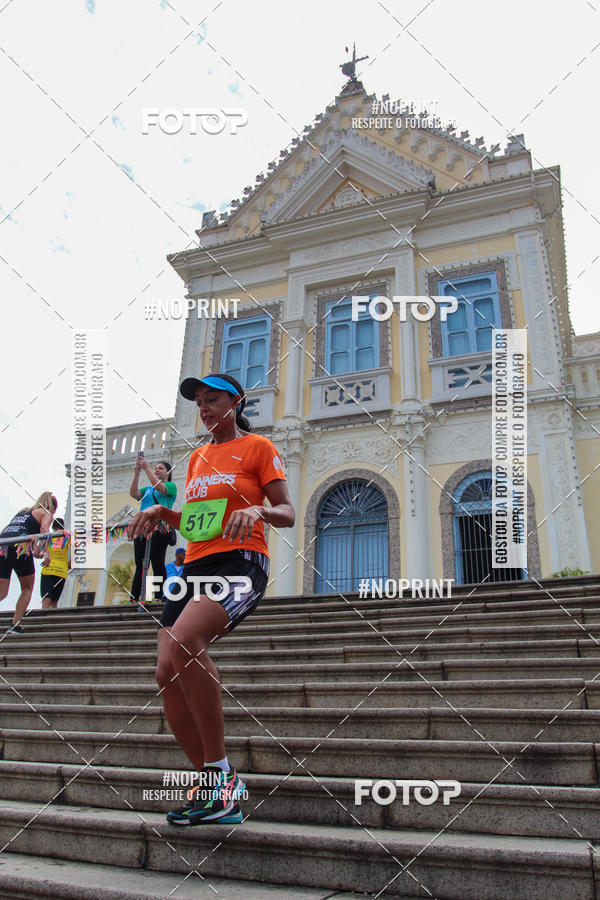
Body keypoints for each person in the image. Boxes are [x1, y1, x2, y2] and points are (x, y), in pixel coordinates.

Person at [128, 373, 295, 826]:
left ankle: (219, 778)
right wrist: (164, 512)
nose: (203, 407)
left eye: (212, 399)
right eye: (199, 401)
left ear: (235, 402)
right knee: (165, 670)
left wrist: (256, 508)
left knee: (184, 641)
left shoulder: (259, 448)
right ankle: (214, 787)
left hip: (241, 563)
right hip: (194, 567)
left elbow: (287, 512)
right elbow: (198, 522)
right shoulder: (198, 457)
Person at [0, 492, 58, 634]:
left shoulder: (23, 512)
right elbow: (44, 530)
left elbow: (7, 530)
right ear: (53, 507)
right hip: (20, 546)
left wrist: (39, 552)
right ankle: (15, 624)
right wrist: (48, 553)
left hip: (4, 545)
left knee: (2, 591)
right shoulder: (46, 513)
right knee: (27, 588)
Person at [129, 459, 177, 604]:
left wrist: (146, 468)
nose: (156, 470)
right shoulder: (148, 490)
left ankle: (159, 596)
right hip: (142, 528)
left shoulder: (171, 486)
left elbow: (160, 488)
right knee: (140, 564)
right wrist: (137, 473)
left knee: (158, 563)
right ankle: (134, 597)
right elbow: (134, 493)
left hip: (159, 529)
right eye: (155, 468)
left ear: (168, 472)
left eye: (160, 468)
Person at [40, 517, 70, 610]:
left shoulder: (48, 536)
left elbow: (38, 554)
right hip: (61, 571)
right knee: (54, 602)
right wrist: (69, 564)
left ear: (53, 527)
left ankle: (43, 621)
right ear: (63, 527)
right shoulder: (68, 538)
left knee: (46, 601)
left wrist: (42, 556)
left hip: (48, 571)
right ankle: (52, 622)